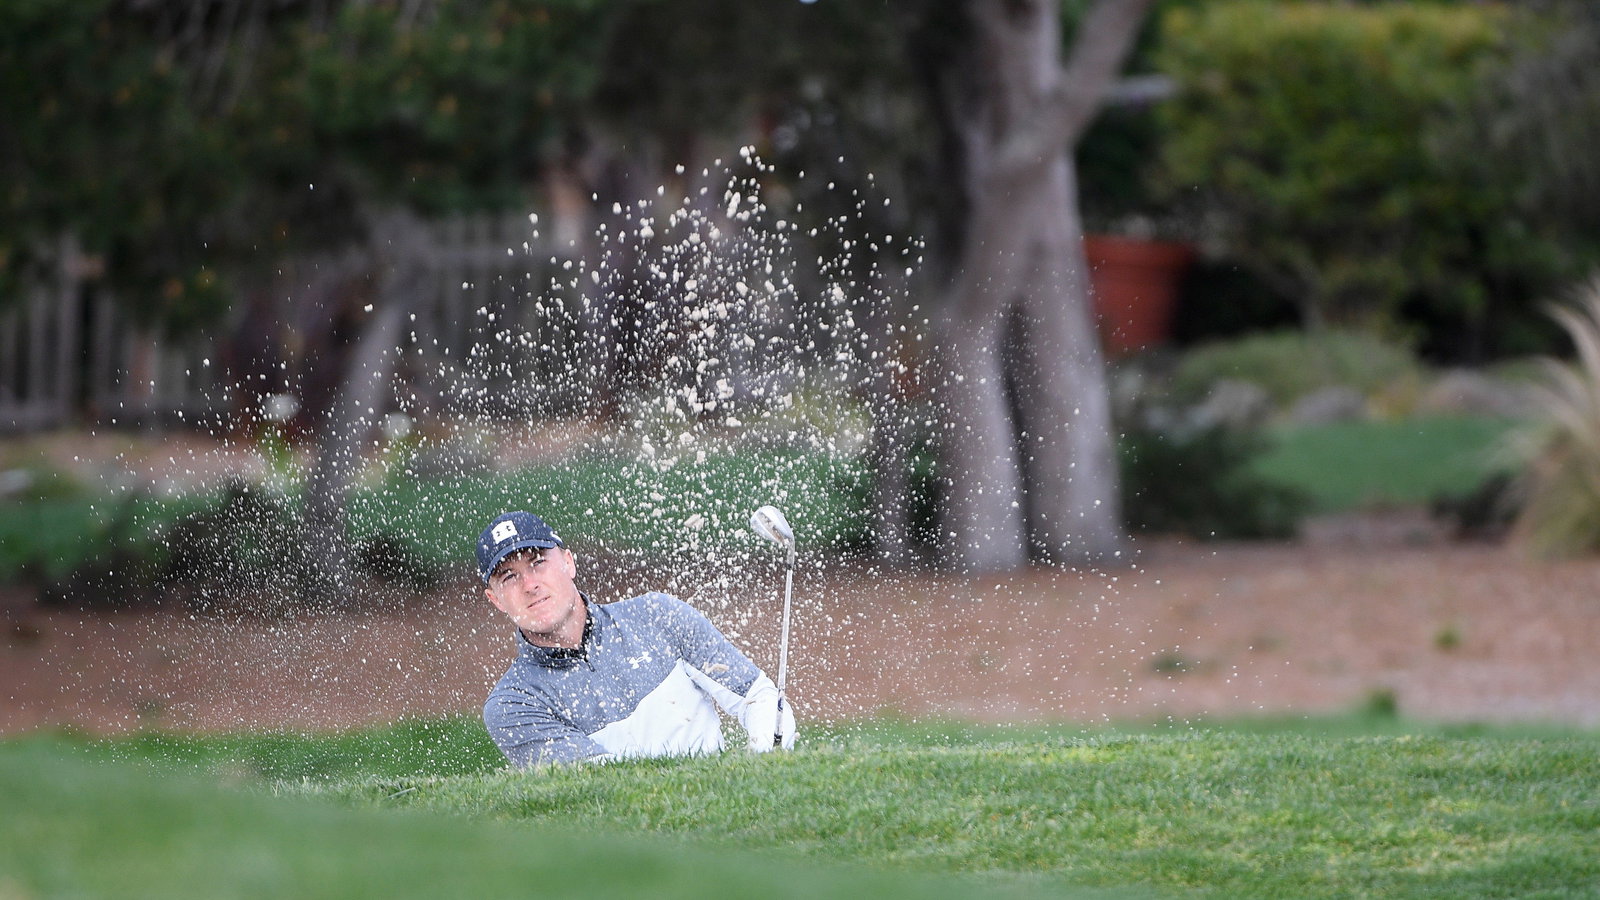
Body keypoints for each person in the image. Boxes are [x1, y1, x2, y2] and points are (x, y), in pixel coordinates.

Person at [476, 510, 797, 767]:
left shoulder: (656, 616)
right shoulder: (514, 703)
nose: (530, 584)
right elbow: (599, 786)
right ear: (496, 599)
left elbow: (757, 696)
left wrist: (762, 762)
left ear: (568, 562)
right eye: (509, 576)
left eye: (538, 563)